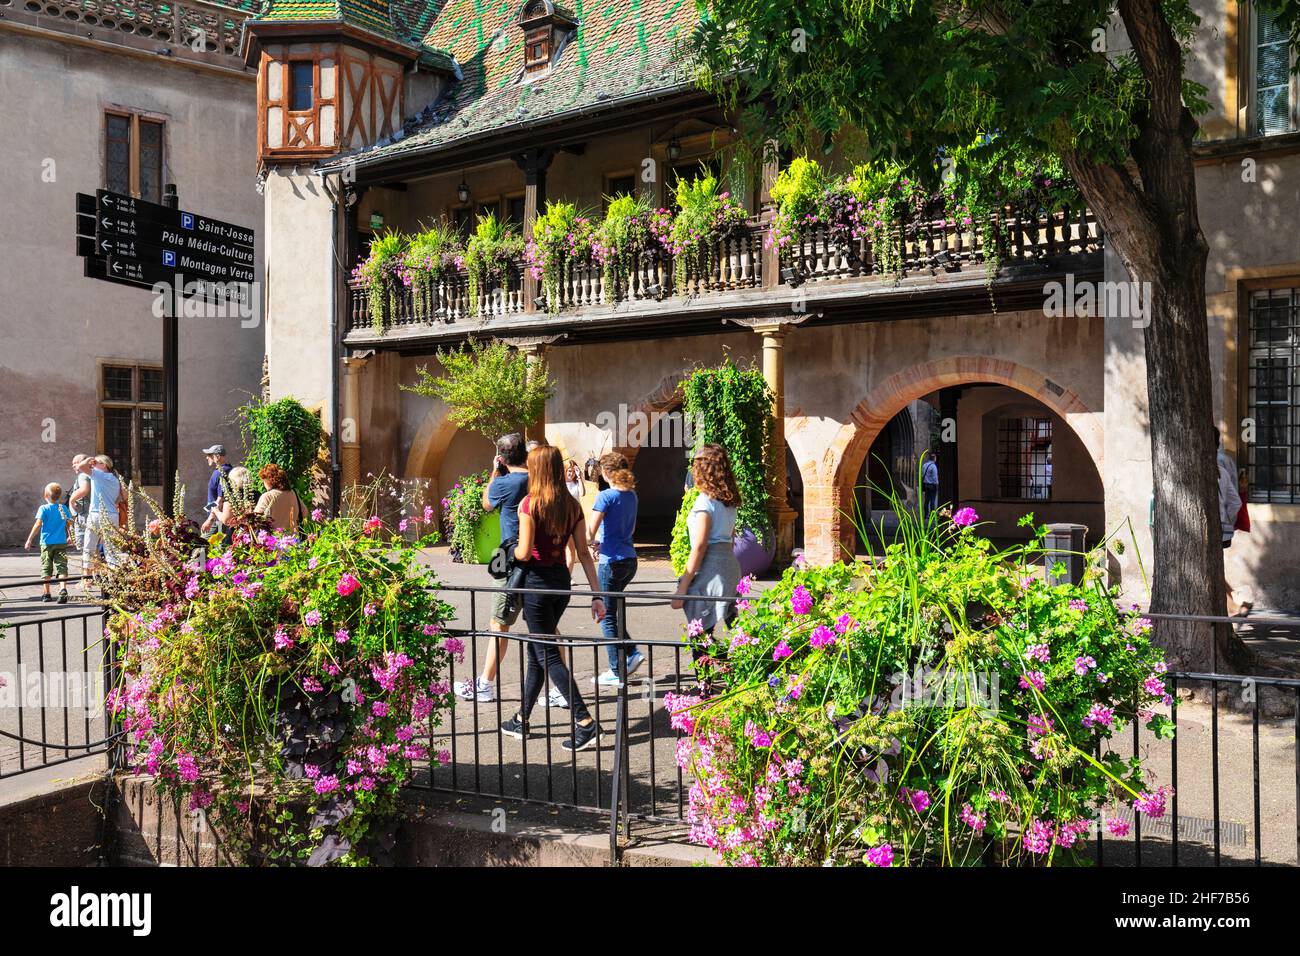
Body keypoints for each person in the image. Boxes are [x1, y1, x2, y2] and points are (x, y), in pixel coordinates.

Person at [500, 444, 607, 752]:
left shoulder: (529, 504)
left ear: (536, 470)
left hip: (535, 585)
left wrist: (508, 549)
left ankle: (585, 721)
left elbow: (523, 552)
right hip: (561, 583)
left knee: (546, 653)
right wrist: (597, 596)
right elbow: (584, 554)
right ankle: (521, 718)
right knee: (539, 650)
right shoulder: (572, 505)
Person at [456, 433, 567, 707]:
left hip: (514, 560)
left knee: (499, 624)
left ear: (502, 457)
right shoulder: (539, 481)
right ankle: (562, 689)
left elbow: (486, 504)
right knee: (548, 628)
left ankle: (484, 684)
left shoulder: (504, 483)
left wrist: (495, 471)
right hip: (544, 563)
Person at [672, 444, 742, 655]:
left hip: (710, 569)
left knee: (700, 633)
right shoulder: (729, 502)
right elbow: (731, 537)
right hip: (729, 565)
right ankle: (748, 666)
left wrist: (682, 587)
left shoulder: (705, 502)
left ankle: (707, 684)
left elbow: (700, 546)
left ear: (702, 470)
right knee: (734, 626)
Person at [588, 453, 645, 686]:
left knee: (606, 616)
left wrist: (592, 544)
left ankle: (616, 669)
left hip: (610, 561)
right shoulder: (631, 495)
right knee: (613, 611)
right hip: (629, 559)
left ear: (606, 472)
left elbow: (590, 531)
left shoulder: (605, 496)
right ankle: (631, 652)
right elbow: (629, 531)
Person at [69, 455, 125, 577]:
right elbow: (124, 496)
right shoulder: (115, 479)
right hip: (112, 515)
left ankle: (86, 579)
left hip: (97, 514)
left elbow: (81, 467)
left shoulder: (99, 475)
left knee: (89, 547)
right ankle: (113, 578)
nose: (93, 464)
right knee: (110, 549)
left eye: (97, 462)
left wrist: (89, 459)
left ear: (104, 465)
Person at [1216, 429, 1248, 617]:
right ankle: (1233, 600)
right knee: (1214, 564)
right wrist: (1228, 520)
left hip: (1219, 524)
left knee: (1210, 567)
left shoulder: (1217, 464)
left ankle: (1233, 603)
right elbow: (1234, 499)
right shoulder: (1226, 461)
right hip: (1225, 524)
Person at [24, 482, 73, 603]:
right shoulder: (63, 508)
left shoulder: (43, 508)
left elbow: (38, 524)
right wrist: (71, 536)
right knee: (62, 566)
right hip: (61, 542)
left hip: (46, 543)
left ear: (45, 495)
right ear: (59, 496)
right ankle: (63, 589)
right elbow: (69, 523)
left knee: (46, 567)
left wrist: (30, 539)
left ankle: (46, 593)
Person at [253, 463, 307, 534]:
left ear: (268, 481)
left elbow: (256, 520)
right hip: (294, 539)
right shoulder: (293, 493)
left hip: (274, 540)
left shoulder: (267, 496)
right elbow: (304, 512)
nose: (264, 484)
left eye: (264, 481)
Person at [213, 466, 256, 541]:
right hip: (254, 535)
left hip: (236, 536)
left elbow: (226, 520)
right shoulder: (257, 494)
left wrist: (216, 511)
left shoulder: (231, 497)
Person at [200, 444, 233, 535]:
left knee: (204, 545)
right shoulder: (221, 471)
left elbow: (220, 499)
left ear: (217, 457)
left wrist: (209, 520)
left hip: (218, 519)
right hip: (216, 517)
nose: (207, 458)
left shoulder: (223, 472)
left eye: (209, 455)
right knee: (215, 546)